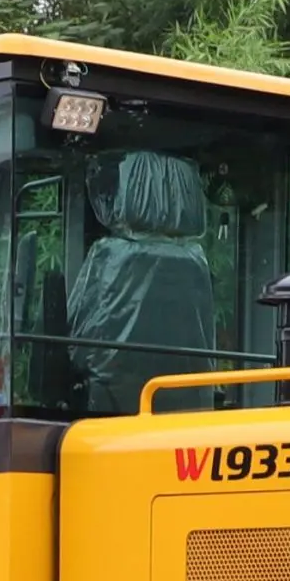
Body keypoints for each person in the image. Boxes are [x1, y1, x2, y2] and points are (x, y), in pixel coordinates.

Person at [68, 151, 217, 415]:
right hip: (190, 409)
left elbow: (76, 347)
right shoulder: (196, 264)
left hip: (107, 409)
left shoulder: (108, 257)